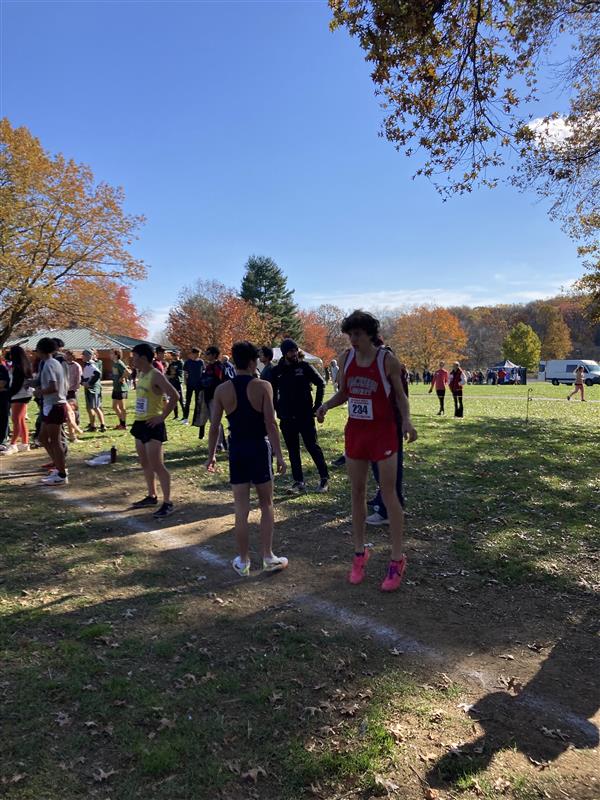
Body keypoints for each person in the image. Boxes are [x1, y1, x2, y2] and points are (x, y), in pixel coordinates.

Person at [316, 310, 417, 592]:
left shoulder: (387, 360)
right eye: (350, 335)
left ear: (370, 334)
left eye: (357, 334)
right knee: (357, 492)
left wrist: (407, 421)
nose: (353, 340)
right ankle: (359, 553)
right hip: (357, 433)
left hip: (383, 433)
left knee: (389, 493)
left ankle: (396, 559)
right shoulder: (346, 359)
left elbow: (401, 396)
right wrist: (326, 405)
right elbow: (345, 393)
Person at [205, 340, 288, 577]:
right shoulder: (263, 386)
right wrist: (279, 455)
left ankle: (243, 561)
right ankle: (268, 556)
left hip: (237, 449)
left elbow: (214, 427)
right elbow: (271, 424)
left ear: (234, 361)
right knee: (266, 504)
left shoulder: (222, 390)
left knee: (241, 508)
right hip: (259, 448)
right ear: (253, 362)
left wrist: (211, 455)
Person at [270, 338, 329, 493]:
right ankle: (298, 482)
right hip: (287, 417)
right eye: (291, 351)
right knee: (293, 450)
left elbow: (321, 383)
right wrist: (277, 409)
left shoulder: (304, 367)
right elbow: (271, 392)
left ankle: (324, 479)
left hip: (305, 415)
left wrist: (317, 406)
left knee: (312, 446)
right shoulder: (277, 371)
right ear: (285, 353)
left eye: (296, 350)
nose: (294, 353)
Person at [129, 343, 179, 518]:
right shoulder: (141, 374)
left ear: (143, 358)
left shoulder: (156, 375)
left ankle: (168, 502)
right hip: (140, 423)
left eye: (134, 357)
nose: (132, 360)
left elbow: (174, 395)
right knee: (145, 463)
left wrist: (162, 417)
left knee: (157, 465)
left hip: (153, 425)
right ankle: (151, 495)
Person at [36, 337, 70, 485]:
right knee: (43, 438)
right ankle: (58, 466)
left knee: (55, 441)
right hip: (50, 406)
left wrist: (38, 392)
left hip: (55, 406)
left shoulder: (50, 364)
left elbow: (53, 387)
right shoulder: (53, 362)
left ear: (40, 350)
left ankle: (61, 474)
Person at [3, 345, 34, 454]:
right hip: (24, 394)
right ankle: (25, 443)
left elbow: (17, 384)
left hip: (19, 395)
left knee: (15, 419)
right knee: (20, 420)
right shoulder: (24, 364)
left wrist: (9, 394)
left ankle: (13, 444)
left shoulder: (18, 367)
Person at [201, 346, 227, 450]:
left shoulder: (218, 367)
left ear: (214, 355)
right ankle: (221, 442)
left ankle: (219, 444)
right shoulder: (209, 366)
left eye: (208, 353)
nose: (206, 355)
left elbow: (220, 380)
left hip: (215, 397)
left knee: (215, 421)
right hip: (208, 396)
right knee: (213, 420)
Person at [81, 349, 106, 432]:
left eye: (83, 355)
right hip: (89, 389)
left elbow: (98, 374)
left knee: (96, 407)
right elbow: (86, 376)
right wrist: (83, 382)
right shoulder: (87, 364)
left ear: (87, 356)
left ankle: (103, 425)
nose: (82, 357)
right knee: (89, 407)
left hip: (93, 389)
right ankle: (92, 426)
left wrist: (90, 383)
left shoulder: (91, 364)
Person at [181, 347, 204, 425]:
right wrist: (185, 381)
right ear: (193, 354)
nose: (198, 355)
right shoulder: (188, 362)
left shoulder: (201, 362)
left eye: (199, 354)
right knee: (188, 402)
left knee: (198, 403)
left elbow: (203, 372)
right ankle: (185, 418)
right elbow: (185, 373)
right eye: (197, 354)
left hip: (198, 385)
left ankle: (195, 420)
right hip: (190, 384)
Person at [64, 350, 84, 441]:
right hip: (64, 390)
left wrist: (76, 388)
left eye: (69, 355)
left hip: (72, 390)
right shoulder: (63, 365)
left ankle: (75, 425)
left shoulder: (76, 366)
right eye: (66, 355)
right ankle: (69, 429)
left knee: (73, 410)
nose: (67, 357)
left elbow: (79, 378)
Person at [111, 349, 131, 429]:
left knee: (122, 407)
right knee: (114, 407)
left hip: (121, 389)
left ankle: (123, 425)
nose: (110, 355)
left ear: (116, 355)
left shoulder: (120, 363)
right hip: (115, 388)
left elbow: (128, 372)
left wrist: (122, 377)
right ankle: (122, 423)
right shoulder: (114, 363)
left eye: (111, 353)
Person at [165, 350, 184, 419]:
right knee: (173, 399)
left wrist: (172, 374)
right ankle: (176, 416)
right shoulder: (171, 363)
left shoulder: (180, 363)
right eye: (172, 355)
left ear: (178, 355)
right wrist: (170, 375)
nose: (173, 357)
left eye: (175, 355)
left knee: (181, 400)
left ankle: (185, 416)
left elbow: (177, 373)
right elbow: (167, 373)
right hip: (172, 383)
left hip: (178, 383)